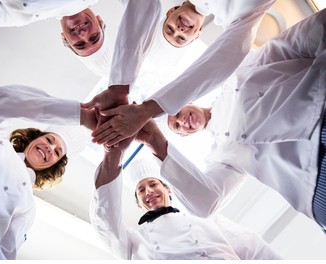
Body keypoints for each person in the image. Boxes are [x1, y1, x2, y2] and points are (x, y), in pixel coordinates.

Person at [128, 9, 326, 231]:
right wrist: (156, 142)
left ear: (188, 100)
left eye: (177, 112)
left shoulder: (237, 72)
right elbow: (206, 204)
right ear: (184, 135)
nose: (182, 121)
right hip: (313, 190)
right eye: (177, 126)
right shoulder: (220, 156)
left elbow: (304, 38)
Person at [0, 84, 97, 259]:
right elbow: (3, 97)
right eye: (50, 139)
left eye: (57, 152)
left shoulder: (28, 206)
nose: (50, 148)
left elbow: (3, 255)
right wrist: (82, 116)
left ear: (53, 166)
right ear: (35, 137)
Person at [85, 0, 276, 145]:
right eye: (181, 38)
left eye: (169, 29)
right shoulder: (238, 20)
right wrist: (147, 110)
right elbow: (223, 59)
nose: (179, 30)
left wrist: (120, 86)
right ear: (197, 34)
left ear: (170, 12)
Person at [90, 136, 282, 259]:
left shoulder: (204, 216)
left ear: (169, 190)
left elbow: (249, 245)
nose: (148, 191)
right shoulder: (132, 240)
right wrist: (113, 154)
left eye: (154, 184)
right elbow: (106, 222)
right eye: (141, 190)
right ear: (138, 204)